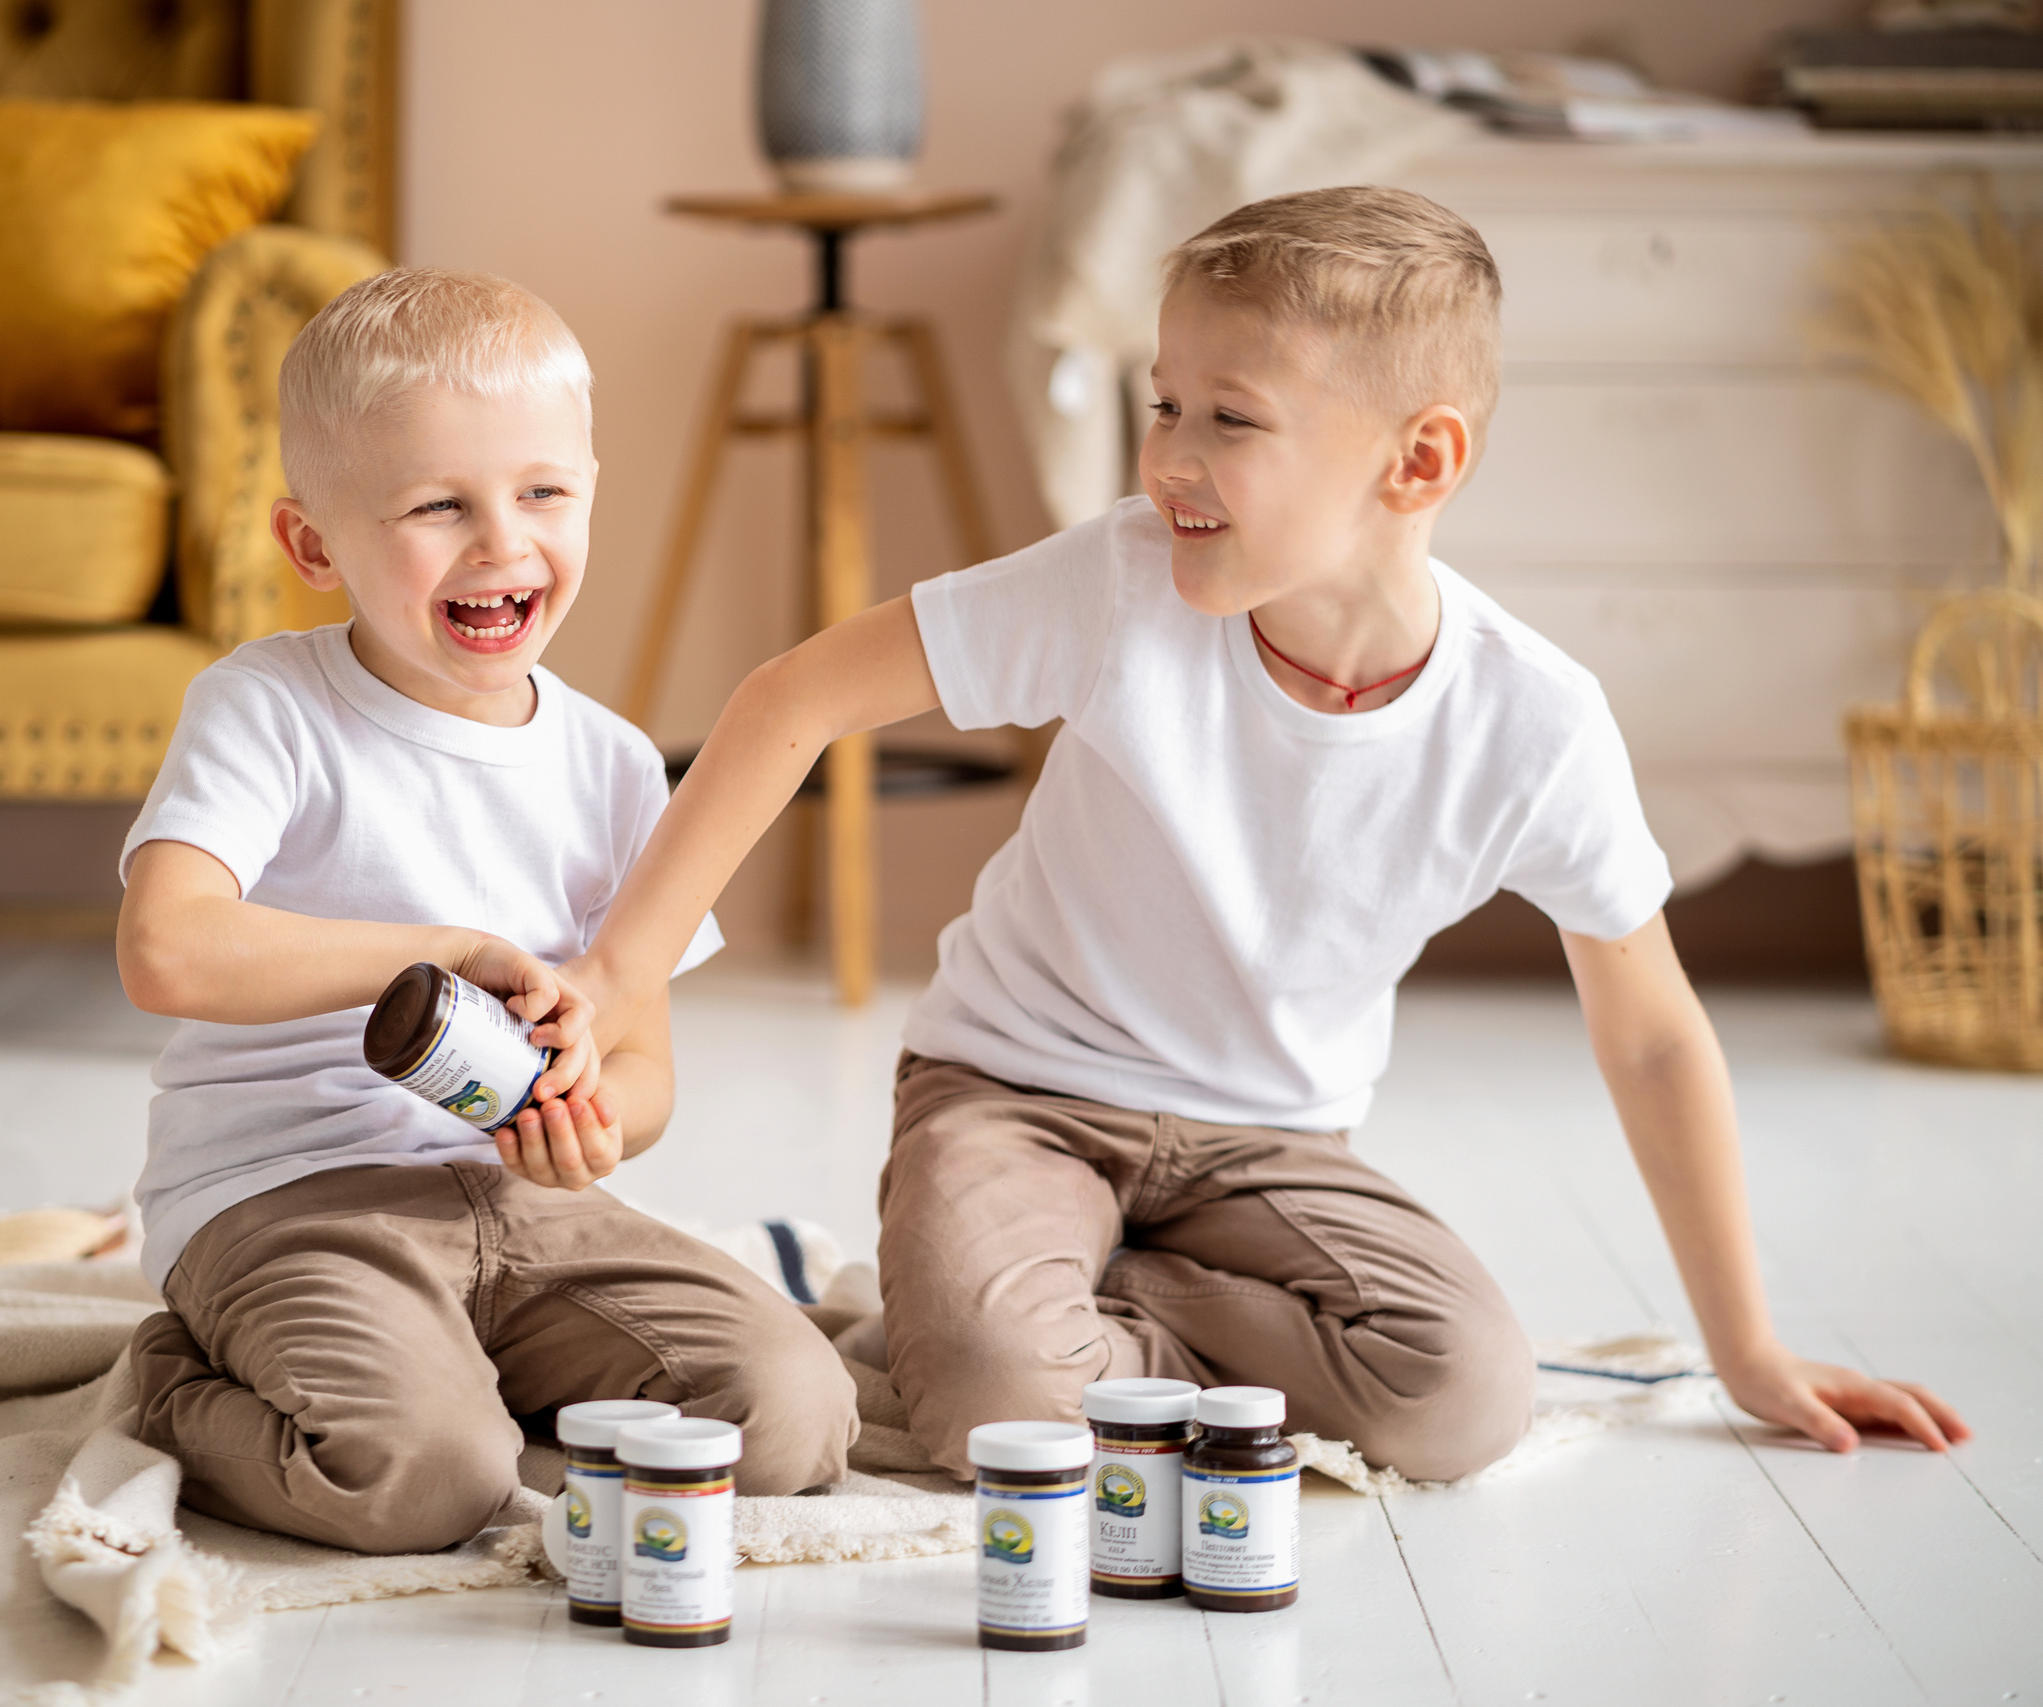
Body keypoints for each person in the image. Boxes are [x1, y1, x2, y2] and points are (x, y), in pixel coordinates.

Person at [551, 187, 1969, 1481]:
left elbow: (1653, 1031)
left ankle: (1058, 1313)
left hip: (1272, 1143)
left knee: (1468, 1395)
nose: (1168, 454)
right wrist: (623, 972)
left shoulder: (1531, 721)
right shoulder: (1115, 587)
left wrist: (1749, 1349)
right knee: (1007, 1411)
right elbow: (791, 699)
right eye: (1162, 404)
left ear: (1418, 462)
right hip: (1015, 1090)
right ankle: (1005, 1326)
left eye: (1228, 417)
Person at [113, 268, 856, 1551]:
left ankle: (457, 1364)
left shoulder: (616, 763)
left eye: (542, 494)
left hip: (530, 1203)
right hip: (289, 1197)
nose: (503, 544)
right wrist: (442, 951)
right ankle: (177, 1383)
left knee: (792, 1420)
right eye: (437, 506)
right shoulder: (268, 708)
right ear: (313, 544)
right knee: (422, 1483)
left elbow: (645, 1066)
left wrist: (592, 1122)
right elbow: (167, 950)